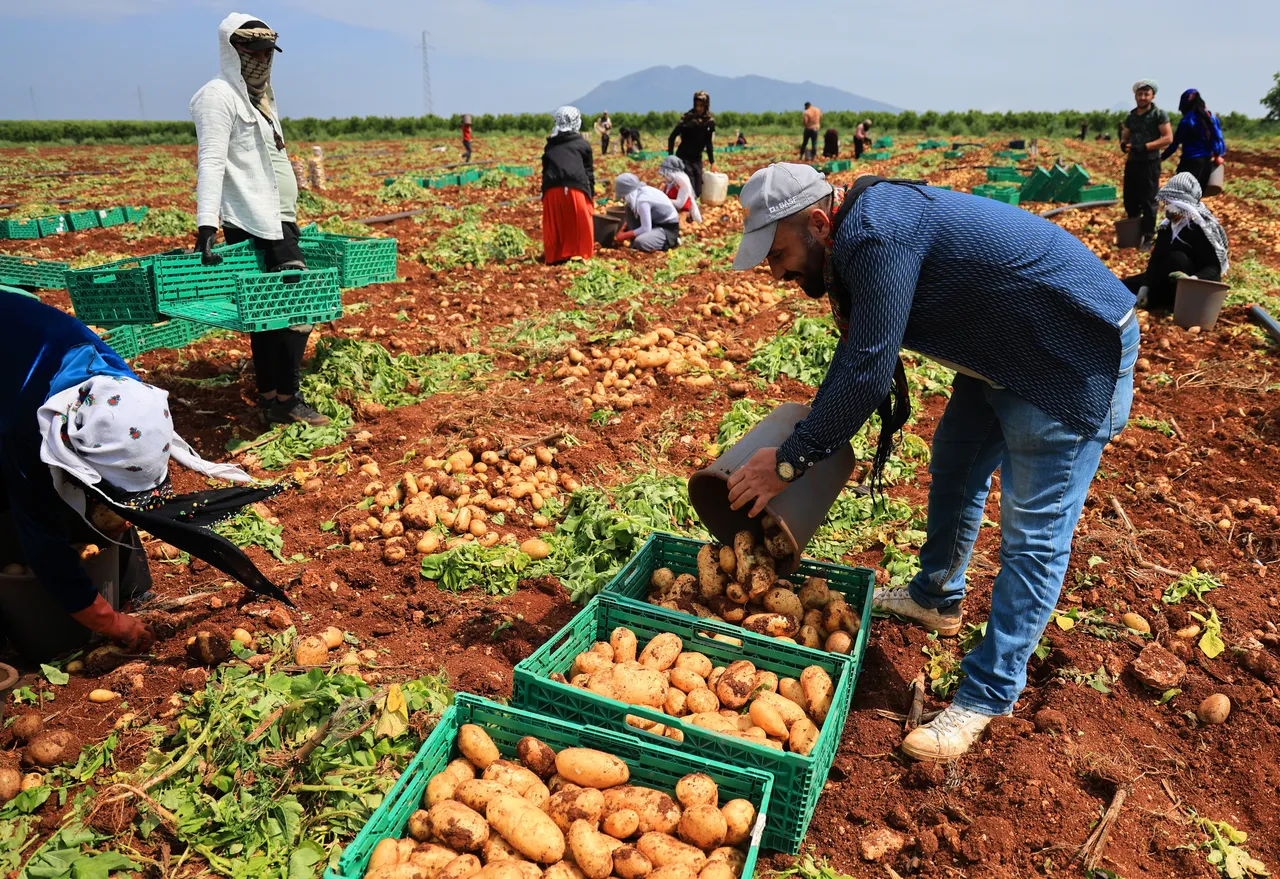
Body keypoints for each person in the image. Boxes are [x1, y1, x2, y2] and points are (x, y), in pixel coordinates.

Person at [724, 164, 1139, 761]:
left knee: (1033, 534)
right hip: (1003, 345)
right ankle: (937, 596)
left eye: (781, 252)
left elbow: (869, 371)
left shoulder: (875, 234)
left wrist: (789, 463)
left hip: (1068, 354)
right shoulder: (851, 234)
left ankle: (988, 695)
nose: (778, 270)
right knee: (956, 464)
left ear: (819, 222)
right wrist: (800, 444)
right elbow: (858, 354)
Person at [1, 291, 291, 661]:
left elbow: (127, 467)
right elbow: (44, 546)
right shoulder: (25, 433)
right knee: (15, 505)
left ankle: (134, 586)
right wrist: (111, 624)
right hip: (12, 386)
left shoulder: (123, 392)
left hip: (19, 341)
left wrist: (123, 507)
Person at [190, 13, 328, 427]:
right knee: (297, 308)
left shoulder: (263, 96)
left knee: (267, 312)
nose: (262, 61)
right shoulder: (217, 96)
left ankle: (270, 395)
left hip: (281, 216)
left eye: (268, 53)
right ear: (232, 52)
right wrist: (206, 225)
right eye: (253, 53)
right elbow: (212, 161)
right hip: (255, 218)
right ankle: (288, 399)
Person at [1123, 172, 1229, 311]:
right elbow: (1156, 260)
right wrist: (1145, 286)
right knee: (1125, 285)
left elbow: (1213, 268)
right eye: (1166, 203)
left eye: (1170, 203)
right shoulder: (1166, 227)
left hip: (1193, 288)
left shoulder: (1200, 228)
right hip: (1166, 278)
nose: (1167, 207)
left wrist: (1193, 280)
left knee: (1176, 257)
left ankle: (1162, 301)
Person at [1121, 79, 1173, 251]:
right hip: (1133, 161)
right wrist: (1124, 143)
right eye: (1140, 94)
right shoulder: (1131, 116)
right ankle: (1134, 235)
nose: (1142, 97)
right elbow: (1125, 135)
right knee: (1130, 199)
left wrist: (1146, 147)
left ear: (1152, 96)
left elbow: (1168, 138)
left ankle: (1148, 237)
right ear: (1135, 96)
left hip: (1150, 162)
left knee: (1149, 200)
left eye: (1146, 94)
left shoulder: (1159, 114)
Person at [541, 106, 595, 265]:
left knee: (557, 222)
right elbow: (588, 172)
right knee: (579, 222)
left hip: (551, 188)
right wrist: (591, 194)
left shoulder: (550, 144)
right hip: (575, 186)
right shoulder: (581, 143)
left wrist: (544, 193)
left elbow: (545, 170)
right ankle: (579, 253)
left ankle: (556, 255)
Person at [1163, 89, 1226, 192]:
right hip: (1206, 163)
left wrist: (1162, 157)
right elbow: (1217, 138)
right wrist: (1218, 155)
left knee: (1180, 196)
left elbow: (1175, 144)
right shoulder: (1211, 118)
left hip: (1190, 163)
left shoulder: (1187, 121)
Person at [613, 173, 680, 252]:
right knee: (628, 207)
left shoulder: (643, 201)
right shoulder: (639, 193)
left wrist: (624, 236)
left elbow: (646, 228)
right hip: (655, 223)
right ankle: (635, 242)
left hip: (667, 228)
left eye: (623, 196)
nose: (623, 199)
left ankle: (670, 242)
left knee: (640, 242)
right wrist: (625, 226)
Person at [668, 91, 716, 198]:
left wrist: (712, 162)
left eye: (701, 106)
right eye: (697, 105)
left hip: (697, 158)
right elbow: (672, 137)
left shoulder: (709, 121)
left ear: (706, 105)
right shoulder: (687, 119)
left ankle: (690, 210)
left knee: (698, 190)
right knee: (689, 187)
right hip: (683, 157)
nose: (699, 108)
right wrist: (671, 157)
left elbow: (708, 142)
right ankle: (688, 212)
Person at [659, 156, 702, 224]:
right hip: (671, 211)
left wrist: (663, 199)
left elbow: (680, 204)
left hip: (681, 214)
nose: (664, 177)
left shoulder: (682, 183)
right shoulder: (670, 183)